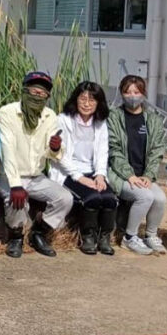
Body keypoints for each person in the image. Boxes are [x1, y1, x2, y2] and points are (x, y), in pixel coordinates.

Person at [0, 70, 71, 258]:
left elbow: (51, 152)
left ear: (47, 96)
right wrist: (15, 184)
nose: (37, 95)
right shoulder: (7, 112)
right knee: (16, 200)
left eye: (42, 92)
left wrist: (55, 148)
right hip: (8, 174)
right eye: (34, 90)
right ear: (25, 90)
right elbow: (7, 149)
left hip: (36, 175)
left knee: (65, 198)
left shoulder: (49, 115)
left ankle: (39, 233)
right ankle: (16, 236)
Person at [49, 81, 119, 255]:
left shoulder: (100, 122)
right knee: (92, 198)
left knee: (109, 198)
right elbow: (60, 155)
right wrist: (79, 177)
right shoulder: (63, 120)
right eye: (83, 99)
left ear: (99, 103)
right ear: (76, 99)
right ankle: (87, 236)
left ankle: (104, 237)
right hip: (69, 172)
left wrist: (101, 175)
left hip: (92, 170)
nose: (87, 104)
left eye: (92, 100)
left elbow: (103, 151)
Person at [107, 75, 167, 255]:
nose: (132, 96)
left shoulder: (153, 120)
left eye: (136, 91)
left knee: (161, 198)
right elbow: (114, 149)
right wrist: (129, 175)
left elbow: (157, 150)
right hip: (119, 174)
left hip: (143, 175)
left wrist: (148, 175)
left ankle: (150, 235)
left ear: (143, 93)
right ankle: (129, 237)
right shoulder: (114, 117)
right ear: (121, 94)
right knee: (145, 197)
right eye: (127, 92)